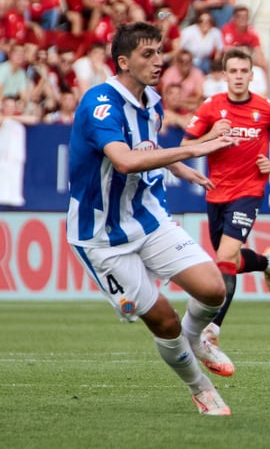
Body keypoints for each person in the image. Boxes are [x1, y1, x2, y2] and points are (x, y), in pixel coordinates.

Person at [65, 22, 237, 415]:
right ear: (124, 62)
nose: (159, 60)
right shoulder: (100, 104)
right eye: (148, 54)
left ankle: (196, 339)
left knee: (213, 289)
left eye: (159, 52)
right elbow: (125, 160)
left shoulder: (152, 101)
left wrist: (179, 168)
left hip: (147, 217)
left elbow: (147, 146)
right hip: (101, 237)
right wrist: (195, 149)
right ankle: (201, 388)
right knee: (164, 321)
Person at [180, 47, 270, 376]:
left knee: (225, 257)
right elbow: (186, 146)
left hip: (248, 192)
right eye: (234, 71)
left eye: (244, 71)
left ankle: (211, 331)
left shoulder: (267, 109)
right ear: (224, 75)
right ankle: (265, 262)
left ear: (251, 75)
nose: (239, 76)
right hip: (216, 193)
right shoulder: (211, 107)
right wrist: (212, 135)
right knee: (227, 261)